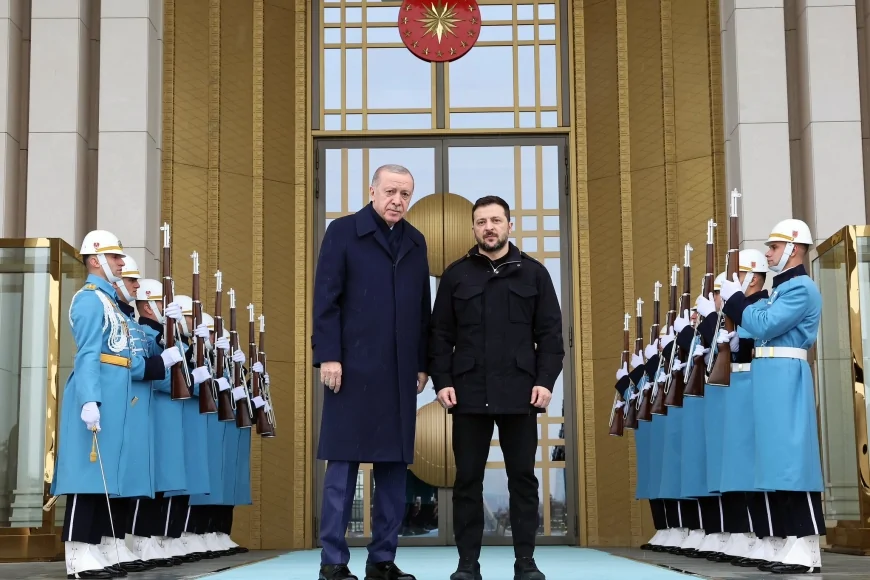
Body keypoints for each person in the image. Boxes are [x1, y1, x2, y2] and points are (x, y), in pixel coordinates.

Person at [429, 195, 564, 580]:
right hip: (468, 393)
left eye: (495, 220)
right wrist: (443, 381)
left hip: (520, 393)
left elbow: (551, 336)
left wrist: (545, 381)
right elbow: (439, 336)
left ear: (509, 225)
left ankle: (526, 562)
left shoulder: (534, 274)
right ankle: (467, 565)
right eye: (481, 222)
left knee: (522, 480)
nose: (489, 227)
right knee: (467, 481)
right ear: (473, 228)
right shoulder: (456, 275)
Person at [312, 164, 431, 580]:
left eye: (405, 194)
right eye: (390, 191)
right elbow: (325, 299)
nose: (397, 200)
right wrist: (329, 356)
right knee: (342, 468)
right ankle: (333, 562)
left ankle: (383, 560)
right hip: (350, 369)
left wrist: (422, 362)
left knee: (394, 470)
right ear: (372, 191)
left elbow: (422, 309)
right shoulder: (343, 231)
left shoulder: (416, 241)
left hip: (399, 373)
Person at [52, 231, 174, 579]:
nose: (121, 262)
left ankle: (100, 548)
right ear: (95, 260)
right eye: (115, 257)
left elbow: (126, 356)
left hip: (118, 395)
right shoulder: (90, 299)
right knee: (86, 476)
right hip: (100, 393)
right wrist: (89, 398)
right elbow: (88, 353)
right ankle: (77, 553)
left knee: (107, 478)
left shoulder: (109, 303)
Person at [719, 219, 824, 574]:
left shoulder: (801, 289)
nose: (768, 253)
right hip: (769, 375)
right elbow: (757, 323)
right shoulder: (783, 290)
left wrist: (735, 299)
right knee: (773, 462)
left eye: (774, 247)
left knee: (791, 460)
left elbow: (764, 324)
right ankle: (785, 539)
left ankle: (806, 544)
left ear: (793, 248)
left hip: (785, 373)